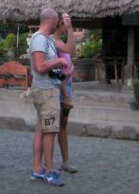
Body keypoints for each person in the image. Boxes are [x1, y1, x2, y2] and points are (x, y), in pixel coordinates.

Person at [29, 9, 75, 187]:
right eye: (58, 21)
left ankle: (37, 169)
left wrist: (70, 29)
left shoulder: (48, 40)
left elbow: (71, 49)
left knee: (42, 129)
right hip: (46, 92)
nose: (59, 24)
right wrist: (58, 62)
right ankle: (49, 172)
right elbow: (40, 67)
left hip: (48, 91)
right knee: (50, 132)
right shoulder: (39, 39)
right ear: (53, 20)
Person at [54, 16, 78, 173]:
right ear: (59, 24)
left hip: (67, 85)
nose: (68, 23)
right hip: (60, 87)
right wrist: (70, 29)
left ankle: (65, 160)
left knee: (63, 125)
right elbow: (70, 49)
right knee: (54, 126)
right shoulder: (54, 42)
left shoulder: (61, 42)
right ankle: (45, 164)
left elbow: (71, 54)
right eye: (66, 20)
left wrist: (71, 68)